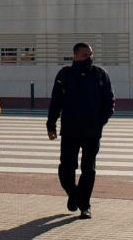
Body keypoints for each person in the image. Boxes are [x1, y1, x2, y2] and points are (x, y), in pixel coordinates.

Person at [47, 42, 115, 219]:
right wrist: (51, 124)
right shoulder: (65, 74)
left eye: (91, 54)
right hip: (70, 130)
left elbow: (109, 101)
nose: (89, 58)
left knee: (88, 168)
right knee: (66, 168)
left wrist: (101, 121)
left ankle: (85, 205)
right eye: (85, 55)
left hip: (92, 131)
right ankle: (73, 194)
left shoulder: (100, 74)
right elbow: (56, 101)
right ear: (75, 55)